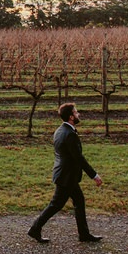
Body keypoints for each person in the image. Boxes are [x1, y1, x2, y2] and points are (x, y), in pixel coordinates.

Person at [28, 102, 103, 243]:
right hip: (67, 177)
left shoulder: (60, 130)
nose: (78, 114)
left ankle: (84, 234)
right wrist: (94, 175)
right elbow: (79, 158)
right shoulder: (69, 134)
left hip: (65, 175)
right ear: (71, 117)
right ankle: (35, 228)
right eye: (76, 112)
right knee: (55, 205)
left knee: (78, 202)